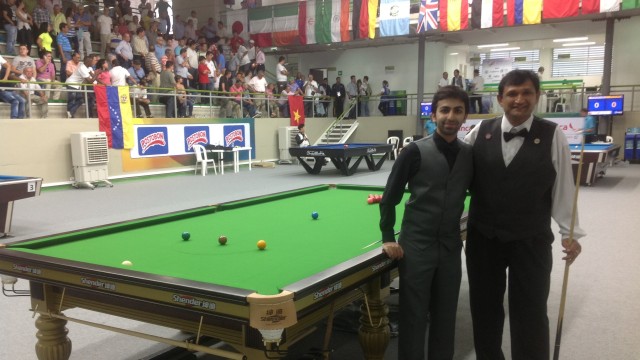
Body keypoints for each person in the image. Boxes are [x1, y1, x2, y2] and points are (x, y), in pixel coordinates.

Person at [463, 69, 585, 360]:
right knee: (484, 309)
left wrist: (570, 233)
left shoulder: (553, 135)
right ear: (500, 98)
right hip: (483, 238)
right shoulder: (479, 132)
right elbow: (455, 173)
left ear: (537, 96)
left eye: (527, 92)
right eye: (513, 93)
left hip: (531, 239)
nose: (520, 99)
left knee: (530, 311)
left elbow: (563, 188)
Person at [379, 85, 473, 360]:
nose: (450, 116)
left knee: (446, 315)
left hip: (450, 246)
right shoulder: (414, 152)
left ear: (465, 116)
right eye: (444, 110)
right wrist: (387, 236)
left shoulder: (469, 155)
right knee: (414, 316)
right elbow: (389, 197)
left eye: (457, 110)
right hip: (417, 245)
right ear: (433, 115)